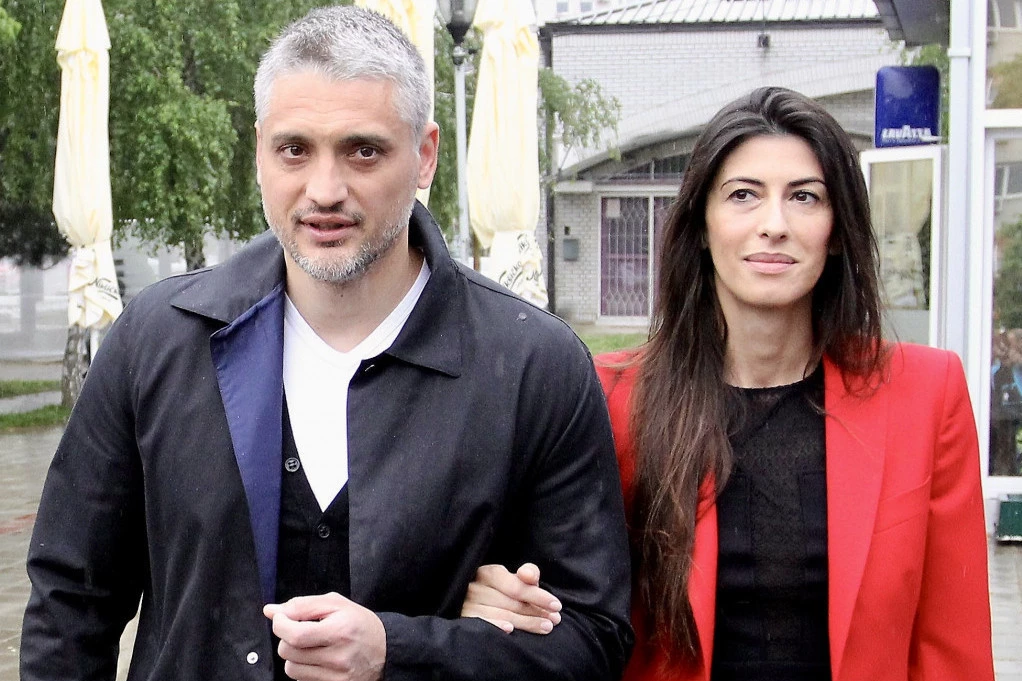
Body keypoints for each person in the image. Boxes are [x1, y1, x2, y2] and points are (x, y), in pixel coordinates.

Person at [21, 6, 633, 681]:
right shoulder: (157, 340)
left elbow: (593, 637)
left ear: (425, 155)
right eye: (294, 150)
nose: (324, 190)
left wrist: (400, 650)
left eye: (363, 150)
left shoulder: (534, 366)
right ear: (259, 151)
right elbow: (71, 599)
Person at [461, 87, 995, 681]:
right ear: (701, 223)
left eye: (805, 197)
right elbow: (553, 599)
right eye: (743, 195)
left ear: (838, 229)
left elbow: (953, 647)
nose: (774, 225)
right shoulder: (611, 399)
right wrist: (494, 594)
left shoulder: (927, 393)